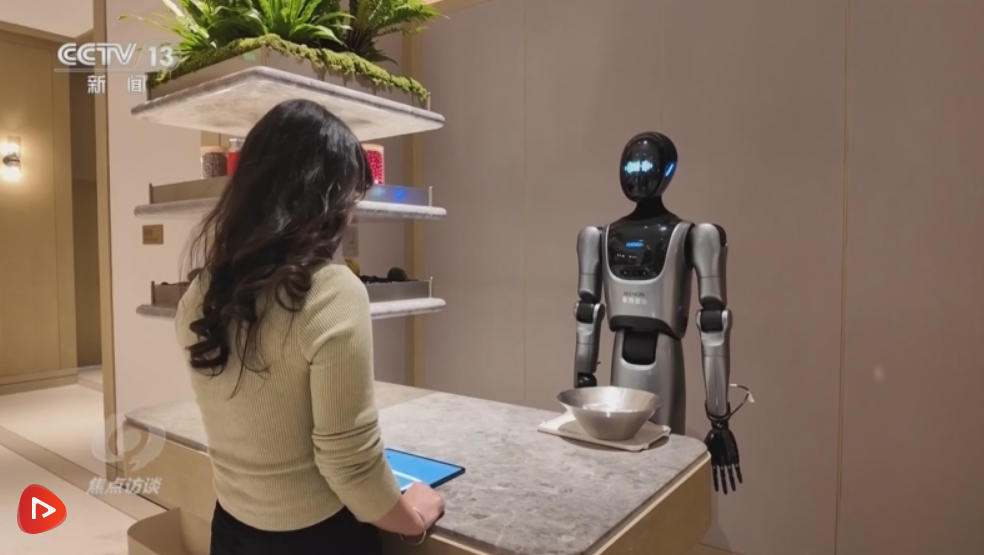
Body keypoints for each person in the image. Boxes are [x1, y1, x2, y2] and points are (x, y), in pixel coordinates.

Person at [174, 99, 445, 555]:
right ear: (325, 199)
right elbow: (351, 466)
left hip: (232, 530)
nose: (351, 214)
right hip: (317, 540)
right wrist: (411, 516)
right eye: (350, 198)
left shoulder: (202, 294)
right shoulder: (332, 293)